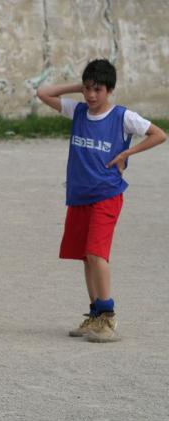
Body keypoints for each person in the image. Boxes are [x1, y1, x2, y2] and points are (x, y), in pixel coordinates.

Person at [36, 59, 166, 343]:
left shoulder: (122, 117)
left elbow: (159, 134)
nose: (91, 95)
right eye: (88, 89)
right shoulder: (78, 111)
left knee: (97, 254)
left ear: (110, 90)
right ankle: (95, 315)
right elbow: (43, 93)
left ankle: (108, 318)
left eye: (98, 89)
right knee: (86, 257)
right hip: (80, 195)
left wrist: (127, 154)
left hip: (107, 195)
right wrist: (79, 85)